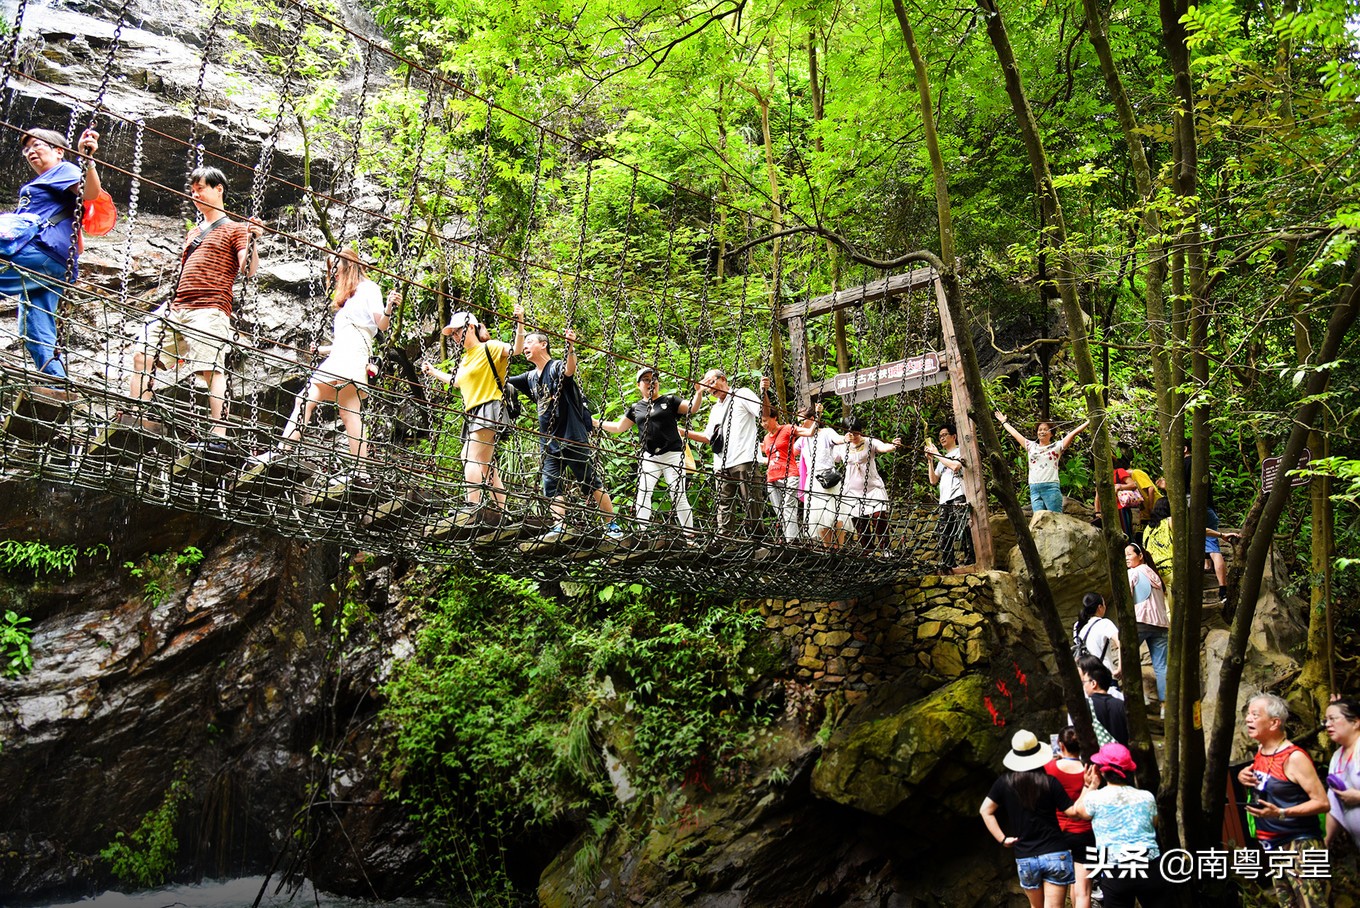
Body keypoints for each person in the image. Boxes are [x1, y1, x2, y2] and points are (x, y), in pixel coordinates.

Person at [128, 166, 264, 444]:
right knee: (142, 354)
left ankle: (219, 435)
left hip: (210, 308)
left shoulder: (235, 229)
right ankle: (137, 416)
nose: (195, 194)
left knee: (211, 368)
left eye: (201, 188)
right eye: (192, 191)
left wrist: (253, 239)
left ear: (219, 189)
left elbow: (247, 270)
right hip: (177, 308)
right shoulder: (194, 233)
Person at [269, 247, 395, 464]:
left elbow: (380, 324)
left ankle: (284, 450)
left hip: (353, 354)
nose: (334, 274)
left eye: (335, 268)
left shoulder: (369, 288)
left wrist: (389, 307)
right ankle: (360, 472)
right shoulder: (349, 298)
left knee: (309, 398)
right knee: (347, 412)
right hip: (344, 354)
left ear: (347, 265)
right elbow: (344, 341)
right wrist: (322, 351)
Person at [1, 126, 102, 378]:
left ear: (58, 151)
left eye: (37, 145)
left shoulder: (63, 170)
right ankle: (57, 385)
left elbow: (90, 193)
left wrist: (87, 160)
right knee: (35, 329)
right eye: (26, 148)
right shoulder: (44, 182)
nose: (30, 151)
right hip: (55, 264)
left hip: (39, 253)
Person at [506, 326, 622, 539]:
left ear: (543, 344)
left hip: (571, 436)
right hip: (549, 442)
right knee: (551, 484)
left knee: (589, 481)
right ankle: (559, 526)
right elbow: (500, 380)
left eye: (529, 342)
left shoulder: (556, 367)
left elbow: (570, 370)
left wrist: (571, 346)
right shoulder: (530, 377)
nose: (525, 347)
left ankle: (611, 525)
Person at [422, 306, 524, 511]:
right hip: (474, 413)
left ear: (470, 327)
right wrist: (433, 372)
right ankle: (503, 511)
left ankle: (473, 504)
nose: (455, 337)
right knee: (485, 464)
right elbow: (458, 382)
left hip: (490, 408)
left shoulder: (490, 348)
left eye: (457, 331)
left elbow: (517, 349)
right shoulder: (466, 358)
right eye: (452, 334)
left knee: (468, 456)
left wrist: (520, 321)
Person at [1237, 693, 1330, 908]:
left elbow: (1323, 803)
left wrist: (1281, 813)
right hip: (1273, 845)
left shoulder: (1294, 757)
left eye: (1255, 715)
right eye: (1248, 714)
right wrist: (1244, 777)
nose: (1248, 719)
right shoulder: (1262, 751)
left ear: (1274, 723)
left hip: (1301, 845)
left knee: (1313, 904)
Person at [593, 367, 704, 531]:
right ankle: (642, 533)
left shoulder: (669, 401)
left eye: (654, 379)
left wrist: (699, 392)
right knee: (643, 493)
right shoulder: (636, 408)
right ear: (639, 385)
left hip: (672, 454)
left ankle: (690, 536)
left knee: (678, 495)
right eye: (646, 379)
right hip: (650, 456)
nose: (651, 382)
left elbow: (692, 408)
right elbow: (618, 427)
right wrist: (596, 423)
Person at [979, 729, 1075, 908]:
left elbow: (985, 810)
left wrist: (1003, 839)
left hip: (1026, 856)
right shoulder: (1050, 782)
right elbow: (1072, 811)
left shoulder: (1004, 782)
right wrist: (1088, 787)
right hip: (1055, 853)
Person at [1070, 742, 1174, 907]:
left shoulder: (1094, 799)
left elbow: (1077, 810)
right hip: (1150, 866)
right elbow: (1153, 823)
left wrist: (1090, 785)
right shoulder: (1146, 797)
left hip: (1116, 870)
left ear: (1102, 771)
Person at [693, 370, 766, 538]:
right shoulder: (715, 409)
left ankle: (759, 540)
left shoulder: (742, 394)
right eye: (707, 386)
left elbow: (763, 413)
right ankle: (726, 540)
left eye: (711, 382)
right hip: (721, 463)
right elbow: (707, 437)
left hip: (744, 459)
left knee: (752, 502)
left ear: (723, 379)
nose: (710, 389)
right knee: (724, 504)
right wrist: (682, 432)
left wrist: (764, 393)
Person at [994, 411, 1089, 513]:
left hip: (1051, 487)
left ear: (1051, 433)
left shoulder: (1057, 446)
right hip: (1034, 489)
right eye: (1040, 430)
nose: (1042, 432)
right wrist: (1004, 422)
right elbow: (1015, 434)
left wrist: (1089, 422)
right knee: (1039, 521)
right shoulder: (1030, 446)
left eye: (1045, 430)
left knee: (1056, 519)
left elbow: (1073, 433)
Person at [833, 416, 903, 552]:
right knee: (860, 522)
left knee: (879, 516)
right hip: (852, 491)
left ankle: (885, 549)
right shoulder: (841, 447)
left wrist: (893, 446)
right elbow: (829, 457)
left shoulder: (870, 442)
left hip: (873, 487)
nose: (854, 436)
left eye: (856, 432)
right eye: (850, 433)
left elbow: (883, 447)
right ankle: (868, 551)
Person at [1045, 727, 1095, 908]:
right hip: (1086, 833)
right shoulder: (1090, 770)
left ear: (1060, 744)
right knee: (1083, 891)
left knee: (1055, 890)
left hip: (1056, 832)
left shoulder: (1048, 768)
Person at [794, 404, 845, 547]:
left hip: (829, 478)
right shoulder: (803, 439)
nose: (800, 424)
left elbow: (838, 439)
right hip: (813, 482)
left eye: (802, 420)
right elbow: (790, 452)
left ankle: (839, 548)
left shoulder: (826, 432)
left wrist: (847, 438)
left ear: (812, 418)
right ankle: (828, 550)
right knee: (819, 517)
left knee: (837, 515)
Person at [926, 422, 974, 572]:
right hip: (944, 500)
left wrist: (937, 454)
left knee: (964, 530)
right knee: (944, 533)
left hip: (959, 496)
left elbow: (955, 466)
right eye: (940, 436)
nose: (942, 438)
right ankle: (949, 563)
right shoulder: (942, 458)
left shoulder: (961, 451)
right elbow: (933, 480)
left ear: (954, 436)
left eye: (944, 435)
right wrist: (930, 461)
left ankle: (971, 560)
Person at [1126, 542, 1168, 710]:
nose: (1126, 559)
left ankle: (1140, 698)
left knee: (1129, 659)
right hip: (1161, 623)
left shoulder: (1133, 573)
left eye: (1129, 554)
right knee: (1161, 666)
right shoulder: (1155, 575)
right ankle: (1166, 706)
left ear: (1140, 555)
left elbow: (1126, 598)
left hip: (1140, 621)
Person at [760, 403, 803, 542]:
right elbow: (770, 458)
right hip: (772, 476)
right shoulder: (766, 438)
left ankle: (793, 540)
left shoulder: (787, 429)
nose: (763, 424)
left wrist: (817, 419)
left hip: (789, 474)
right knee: (779, 510)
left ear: (775, 418)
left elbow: (808, 432)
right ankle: (787, 538)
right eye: (761, 421)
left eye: (765, 420)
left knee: (788, 506)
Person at [1324, 697, 1360, 851]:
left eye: (1333, 719)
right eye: (1325, 720)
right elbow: (1334, 804)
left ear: (1356, 722)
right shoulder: (1337, 757)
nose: (1327, 724)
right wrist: (1326, 840)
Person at [1073, 593, 1120, 687]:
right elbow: (1121, 643)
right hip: (1105, 676)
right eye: (1104, 604)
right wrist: (1120, 668)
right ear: (1100, 607)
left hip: (1086, 680)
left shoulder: (1077, 626)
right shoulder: (1105, 623)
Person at [1079, 656, 1129, 745]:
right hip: (1122, 755)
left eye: (1084, 682)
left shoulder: (1086, 705)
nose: (1084, 686)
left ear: (1093, 683)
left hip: (1098, 757)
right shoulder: (1122, 704)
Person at [1141, 499, 1175, 616]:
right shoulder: (1170, 521)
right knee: (1173, 608)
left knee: (1164, 607)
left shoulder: (1147, 529)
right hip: (1169, 568)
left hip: (1153, 571)